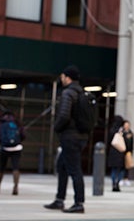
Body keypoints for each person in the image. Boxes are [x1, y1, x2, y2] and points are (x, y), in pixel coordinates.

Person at [44, 65, 88, 214]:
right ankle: (59, 199)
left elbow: (63, 115)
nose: (61, 79)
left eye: (63, 76)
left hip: (70, 137)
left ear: (68, 77)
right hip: (81, 136)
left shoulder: (68, 93)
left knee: (75, 170)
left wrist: (56, 128)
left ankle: (79, 203)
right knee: (62, 167)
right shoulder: (82, 93)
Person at [0, 110, 25, 195]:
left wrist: (2, 144)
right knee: (15, 167)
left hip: (5, 148)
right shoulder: (17, 123)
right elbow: (23, 135)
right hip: (17, 148)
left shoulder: (2, 124)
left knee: (1, 168)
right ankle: (15, 187)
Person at [107, 115, 125, 192]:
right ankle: (117, 183)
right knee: (120, 170)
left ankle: (114, 183)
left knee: (114, 170)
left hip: (112, 152)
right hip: (120, 151)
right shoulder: (121, 130)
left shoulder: (111, 130)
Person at [121, 120, 134, 186]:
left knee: (127, 166)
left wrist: (131, 151)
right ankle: (121, 179)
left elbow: (132, 143)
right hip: (122, 151)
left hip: (128, 152)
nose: (126, 126)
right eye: (125, 125)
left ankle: (126, 178)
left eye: (127, 125)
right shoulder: (121, 133)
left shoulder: (131, 133)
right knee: (121, 165)